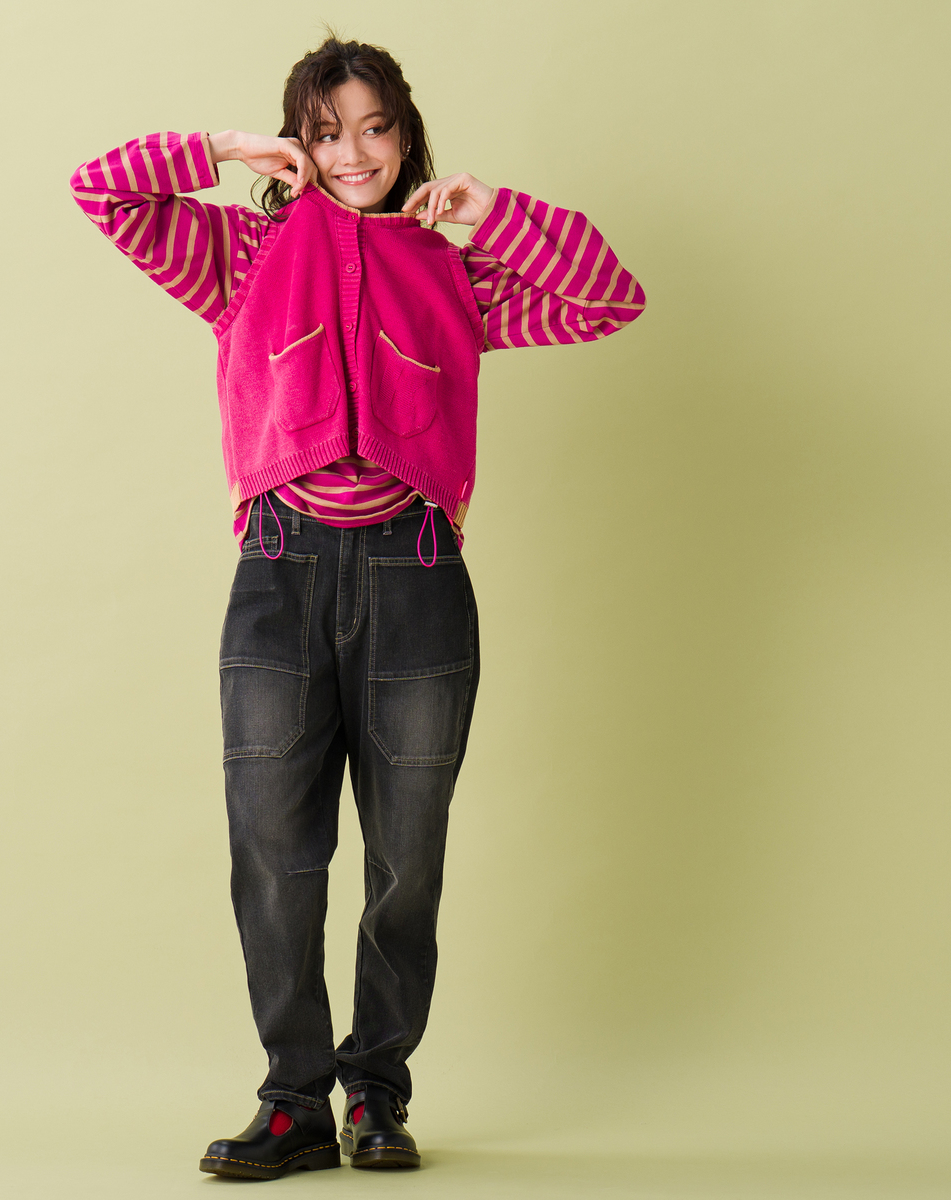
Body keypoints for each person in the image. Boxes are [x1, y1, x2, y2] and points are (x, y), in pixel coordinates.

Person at [70, 33, 644, 1180]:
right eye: (327, 132)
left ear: (405, 133)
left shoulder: (453, 268)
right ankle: (292, 1101)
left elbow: (607, 295)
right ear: (301, 140)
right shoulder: (242, 255)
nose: (353, 154)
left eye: (375, 128)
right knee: (272, 851)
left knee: (406, 858)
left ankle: (376, 1092)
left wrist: (490, 212)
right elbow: (105, 190)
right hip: (278, 580)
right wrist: (232, 147)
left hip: (416, 581)